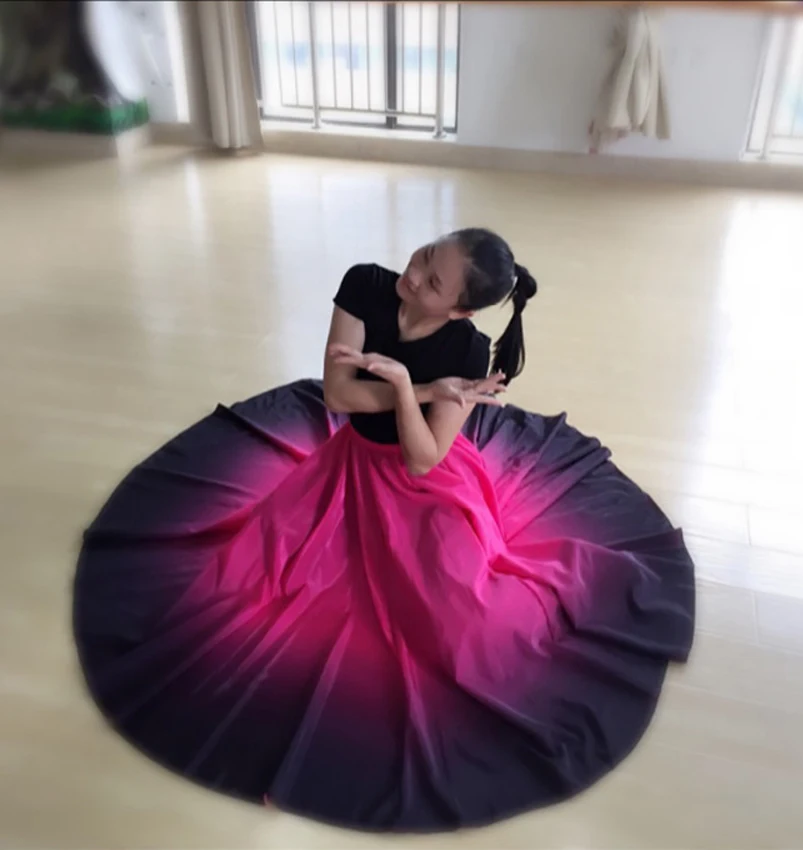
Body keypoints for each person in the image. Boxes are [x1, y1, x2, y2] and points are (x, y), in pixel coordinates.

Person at [74, 228, 695, 833]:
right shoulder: (365, 286)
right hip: (347, 470)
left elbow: (424, 457)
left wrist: (399, 385)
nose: (414, 276)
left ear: (460, 309)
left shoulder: (468, 350)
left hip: (425, 489)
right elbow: (337, 396)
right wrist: (420, 388)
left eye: (433, 281)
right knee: (253, 575)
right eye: (423, 257)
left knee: (461, 627)